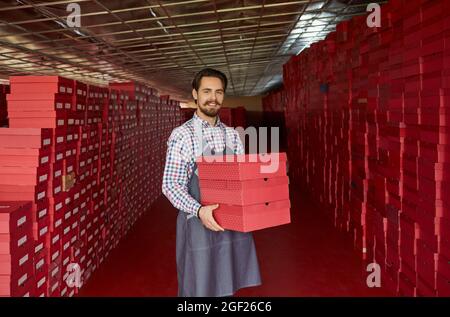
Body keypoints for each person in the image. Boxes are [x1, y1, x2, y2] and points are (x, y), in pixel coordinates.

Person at [162, 68, 262, 297]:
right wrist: (199, 211)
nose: (213, 97)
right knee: (199, 286)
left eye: (218, 92)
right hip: (198, 223)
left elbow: (240, 178)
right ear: (195, 94)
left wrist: (263, 187)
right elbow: (170, 185)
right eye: (207, 91)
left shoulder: (233, 135)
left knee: (228, 282)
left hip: (231, 223)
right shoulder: (182, 135)